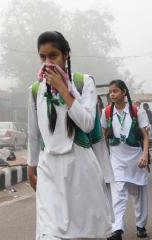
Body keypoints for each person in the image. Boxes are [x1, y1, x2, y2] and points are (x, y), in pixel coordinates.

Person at [27, 31, 112, 239]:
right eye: (42, 57)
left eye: (53, 55)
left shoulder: (84, 82)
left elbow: (87, 123)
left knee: (84, 232)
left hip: (80, 167)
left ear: (66, 55)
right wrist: (31, 165)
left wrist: (63, 90)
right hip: (49, 169)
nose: (47, 62)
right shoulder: (35, 90)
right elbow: (34, 133)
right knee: (50, 231)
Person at [101, 80, 149, 239]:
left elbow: (144, 136)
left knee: (138, 193)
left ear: (123, 92)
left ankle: (141, 225)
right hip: (116, 158)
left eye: (115, 91)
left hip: (136, 157)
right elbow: (104, 135)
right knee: (118, 192)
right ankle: (117, 229)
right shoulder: (107, 112)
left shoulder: (137, 112)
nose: (112, 94)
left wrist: (145, 155)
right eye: (110, 92)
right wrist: (101, 156)